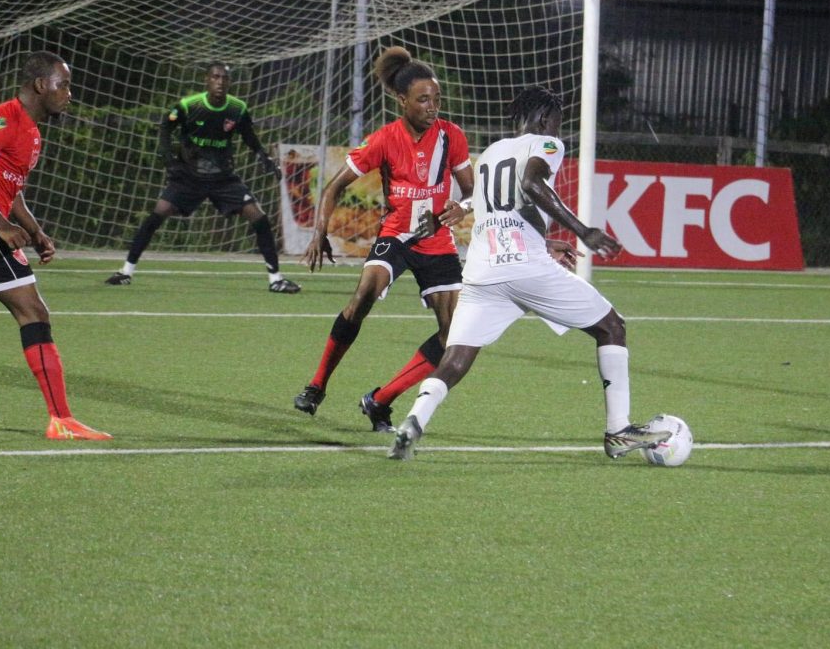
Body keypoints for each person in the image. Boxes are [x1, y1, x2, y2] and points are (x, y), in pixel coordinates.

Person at [387, 86, 671, 461]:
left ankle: (413, 422)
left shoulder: (490, 153)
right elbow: (531, 184)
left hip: (481, 271)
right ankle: (618, 430)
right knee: (611, 326)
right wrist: (583, 230)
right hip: (523, 267)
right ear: (542, 119)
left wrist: (545, 244)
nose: (558, 130)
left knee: (455, 359)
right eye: (556, 122)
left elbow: (501, 213)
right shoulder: (547, 144)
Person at [292, 47, 475, 430]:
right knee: (363, 295)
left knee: (453, 333)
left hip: (437, 241)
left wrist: (464, 206)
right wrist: (319, 232)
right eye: (423, 99)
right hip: (396, 234)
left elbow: (473, 191)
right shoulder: (384, 139)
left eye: (436, 99)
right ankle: (317, 384)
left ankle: (380, 400)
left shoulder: (451, 136)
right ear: (401, 100)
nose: (432, 106)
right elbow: (334, 187)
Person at [0, 51, 111, 440]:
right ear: (40, 85)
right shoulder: (5, 119)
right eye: (62, 84)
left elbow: (10, 191)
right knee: (35, 313)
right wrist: (0, 226)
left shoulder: (32, 132)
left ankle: (61, 419)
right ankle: (62, 420)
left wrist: (34, 232)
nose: (68, 93)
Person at [104, 62, 300, 293]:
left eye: (224, 78)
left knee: (258, 217)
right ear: (207, 80)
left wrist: (265, 159)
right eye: (215, 77)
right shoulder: (190, 106)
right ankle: (125, 272)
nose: (220, 82)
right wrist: (169, 161)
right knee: (158, 213)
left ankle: (275, 279)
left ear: (229, 82)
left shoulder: (237, 108)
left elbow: (250, 138)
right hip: (189, 176)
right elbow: (166, 128)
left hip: (223, 178)